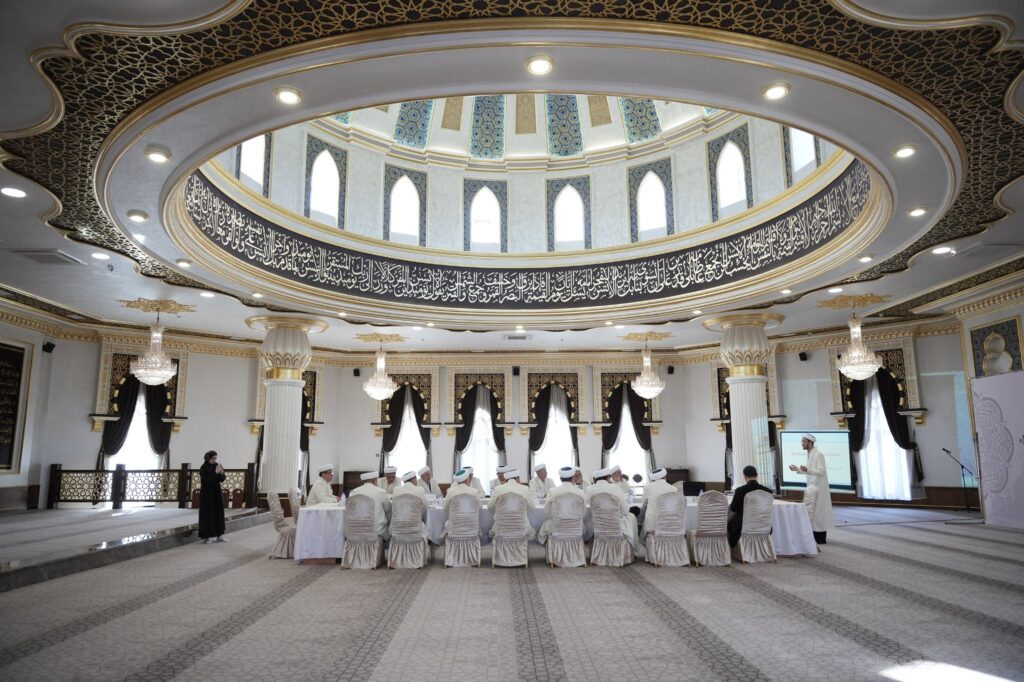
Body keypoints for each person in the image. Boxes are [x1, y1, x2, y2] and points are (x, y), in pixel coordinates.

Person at [789, 433, 834, 544]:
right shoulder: (810, 454)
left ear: (810, 442)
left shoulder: (818, 454)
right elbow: (810, 471)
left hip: (819, 488)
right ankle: (814, 537)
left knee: (818, 513)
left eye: (803, 441)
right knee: (812, 512)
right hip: (812, 488)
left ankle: (820, 538)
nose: (802, 443)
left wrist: (807, 469)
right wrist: (797, 469)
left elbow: (821, 471)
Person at [586, 467, 638, 550]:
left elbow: (588, 507)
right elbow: (625, 510)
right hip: (615, 525)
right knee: (632, 517)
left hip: (597, 526)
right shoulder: (615, 488)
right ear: (608, 477)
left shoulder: (589, 489)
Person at [538, 466, 586, 544]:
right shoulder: (581, 493)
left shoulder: (553, 492)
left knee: (544, 526)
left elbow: (546, 511)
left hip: (557, 526)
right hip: (575, 527)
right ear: (573, 478)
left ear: (560, 479)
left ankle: (550, 545)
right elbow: (583, 513)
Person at [728, 465, 773, 547]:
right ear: (757, 475)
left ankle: (735, 549)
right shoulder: (768, 491)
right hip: (763, 525)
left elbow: (733, 508)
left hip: (744, 526)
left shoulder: (740, 490)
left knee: (730, 523)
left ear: (745, 476)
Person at [489, 469, 535, 540]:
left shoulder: (498, 489)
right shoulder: (525, 489)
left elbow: (490, 507)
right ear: (517, 478)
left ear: (506, 479)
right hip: (521, 526)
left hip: (501, 526)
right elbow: (531, 508)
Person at [350, 471, 391, 540]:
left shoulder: (355, 491)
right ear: (375, 480)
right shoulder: (380, 491)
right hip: (377, 530)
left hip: (358, 529)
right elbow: (388, 508)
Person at [638, 467, 675, 542]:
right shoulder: (674, 488)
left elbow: (643, 503)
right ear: (665, 476)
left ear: (653, 478)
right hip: (669, 525)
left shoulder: (648, 487)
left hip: (652, 526)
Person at [198, 450, 226, 543]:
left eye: (215, 458)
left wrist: (222, 473)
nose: (215, 460)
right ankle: (206, 537)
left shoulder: (216, 465)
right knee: (208, 514)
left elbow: (222, 479)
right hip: (207, 494)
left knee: (218, 512)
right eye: (213, 458)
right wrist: (215, 473)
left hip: (216, 492)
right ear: (208, 458)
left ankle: (220, 535)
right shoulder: (203, 467)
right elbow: (207, 480)